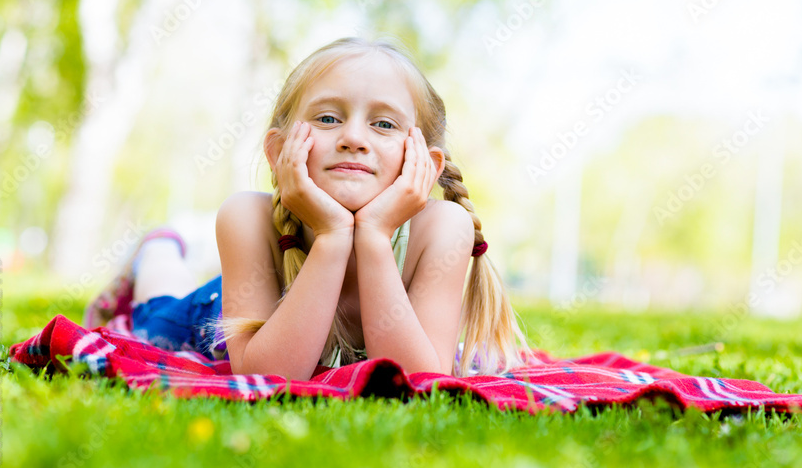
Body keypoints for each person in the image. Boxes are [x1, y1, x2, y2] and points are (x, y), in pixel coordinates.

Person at [83, 36, 535, 379]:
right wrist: (335, 237)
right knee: (157, 300)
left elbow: (419, 380)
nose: (353, 138)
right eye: (327, 118)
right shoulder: (247, 218)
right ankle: (159, 248)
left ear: (425, 163)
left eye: (383, 123)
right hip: (211, 314)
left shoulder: (441, 229)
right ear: (279, 152)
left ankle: (161, 247)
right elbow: (269, 377)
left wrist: (374, 239)